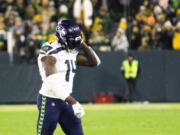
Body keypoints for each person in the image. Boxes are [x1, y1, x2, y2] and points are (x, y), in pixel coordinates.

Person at [37, 20, 101, 135]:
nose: (74, 44)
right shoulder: (49, 50)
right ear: (61, 37)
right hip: (49, 100)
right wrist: (74, 102)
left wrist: (82, 43)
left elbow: (95, 62)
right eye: (72, 41)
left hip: (66, 101)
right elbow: (52, 82)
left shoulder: (71, 53)